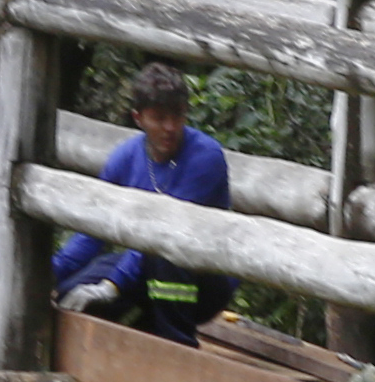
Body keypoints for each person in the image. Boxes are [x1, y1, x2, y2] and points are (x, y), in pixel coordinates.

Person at [48, 63, 236, 342]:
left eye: (178, 116)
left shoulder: (205, 157)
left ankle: (176, 345)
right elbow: (93, 230)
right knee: (71, 293)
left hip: (201, 277)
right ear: (139, 118)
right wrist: (46, 274)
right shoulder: (125, 158)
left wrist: (113, 285)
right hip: (143, 264)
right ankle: (134, 326)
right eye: (159, 118)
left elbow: (166, 230)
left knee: (164, 255)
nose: (170, 127)